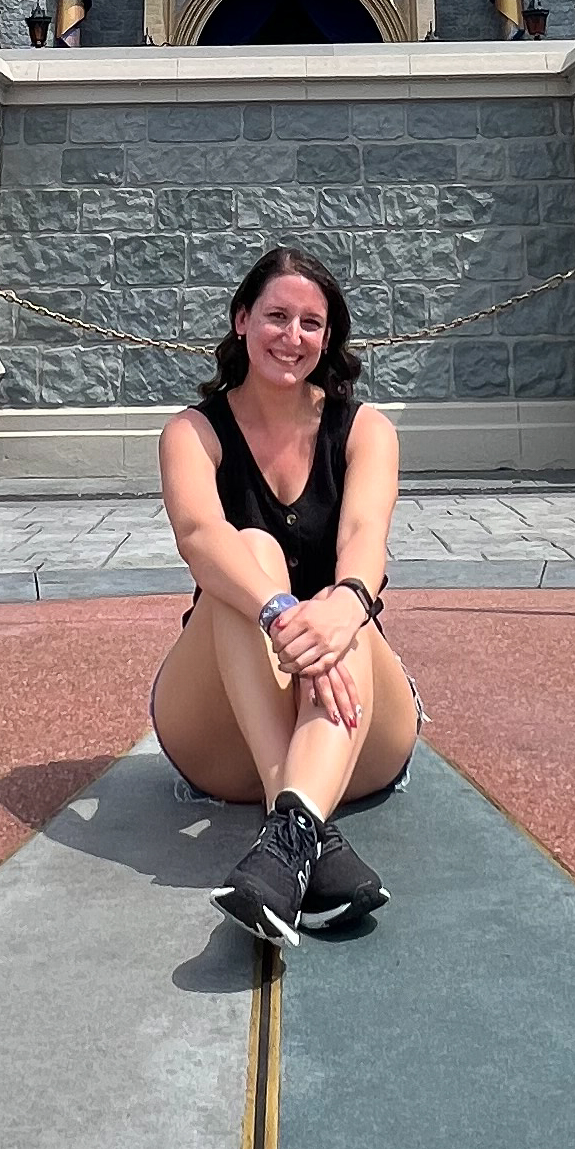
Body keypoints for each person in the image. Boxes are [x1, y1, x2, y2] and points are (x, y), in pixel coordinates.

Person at [152, 243, 417, 953]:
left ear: (328, 338)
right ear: (241, 321)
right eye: (276, 316)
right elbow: (200, 535)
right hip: (220, 732)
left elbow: (365, 533)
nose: (291, 337)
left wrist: (339, 611)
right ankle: (306, 837)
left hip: (353, 731)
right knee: (252, 556)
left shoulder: (365, 430)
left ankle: (285, 842)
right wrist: (279, 612)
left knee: (343, 600)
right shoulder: (192, 433)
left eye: (310, 323)